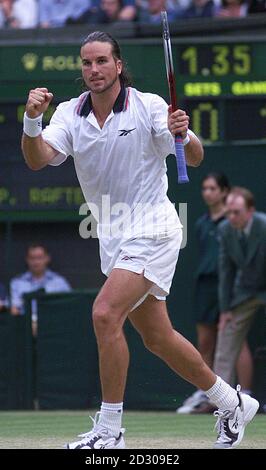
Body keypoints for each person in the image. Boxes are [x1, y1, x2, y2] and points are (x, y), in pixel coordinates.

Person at [21, 31, 259, 450]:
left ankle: (110, 430)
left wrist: (183, 133)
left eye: (101, 61)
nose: (93, 70)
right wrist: (32, 120)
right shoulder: (68, 115)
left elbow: (197, 156)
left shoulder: (149, 106)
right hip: (112, 236)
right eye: (86, 63)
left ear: (118, 65)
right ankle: (231, 401)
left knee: (104, 314)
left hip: (153, 228)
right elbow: (37, 159)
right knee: (157, 337)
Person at [177, 173, 254, 414]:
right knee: (205, 342)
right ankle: (209, 394)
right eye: (204, 188)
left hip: (232, 286)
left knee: (236, 341)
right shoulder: (201, 223)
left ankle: (245, 396)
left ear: (224, 191)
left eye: (212, 188)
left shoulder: (234, 222)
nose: (207, 193)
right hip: (206, 286)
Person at [213, 187, 266, 389]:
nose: (232, 217)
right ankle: (224, 398)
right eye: (229, 212)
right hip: (245, 292)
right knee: (226, 334)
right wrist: (225, 309)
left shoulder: (264, 226)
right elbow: (226, 271)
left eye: (237, 212)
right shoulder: (225, 230)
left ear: (250, 211)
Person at [10, 244, 71, 334]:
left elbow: (69, 307)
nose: (36, 262)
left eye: (39, 258)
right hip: (25, 329)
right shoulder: (17, 283)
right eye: (32, 258)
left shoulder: (59, 282)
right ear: (27, 260)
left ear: (47, 258)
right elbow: (14, 309)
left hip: (54, 328)